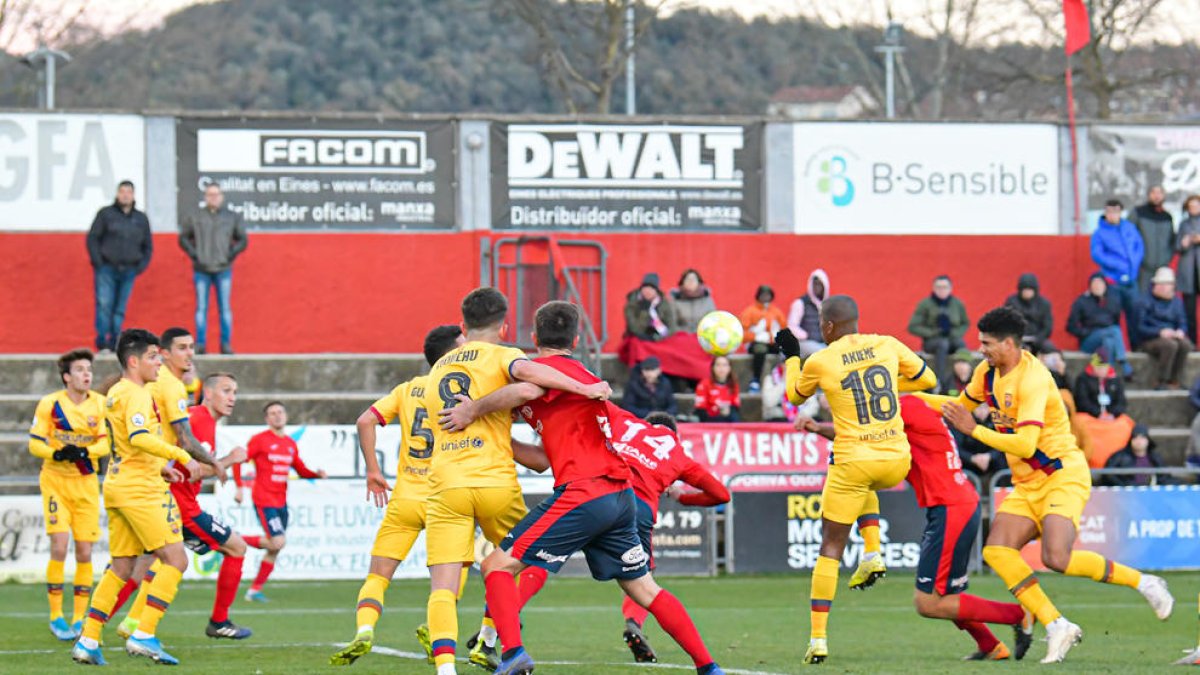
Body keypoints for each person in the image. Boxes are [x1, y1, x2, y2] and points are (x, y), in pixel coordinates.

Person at [436, 301, 726, 675]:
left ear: (535, 338)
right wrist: (501, 439)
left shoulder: (541, 373)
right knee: (644, 589)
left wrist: (474, 409)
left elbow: (525, 392)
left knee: (496, 565)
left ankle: (512, 655)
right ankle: (709, 666)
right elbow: (542, 460)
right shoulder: (584, 376)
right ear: (575, 339)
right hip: (620, 497)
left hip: (585, 492)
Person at [917, 306, 1174, 664]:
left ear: (1009, 344)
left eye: (987, 344)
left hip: (1061, 475)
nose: (981, 350)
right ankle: (1057, 624)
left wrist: (973, 430)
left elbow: (1024, 444)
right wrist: (906, 401)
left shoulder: (1034, 379)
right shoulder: (986, 372)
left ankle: (1144, 582)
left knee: (1056, 557)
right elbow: (957, 407)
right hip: (1026, 483)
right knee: (997, 551)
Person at [417, 288, 611, 675]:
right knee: (531, 560)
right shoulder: (504, 355)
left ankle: (445, 670)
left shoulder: (437, 368)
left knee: (443, 584)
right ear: (504, 327)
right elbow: (528, 385)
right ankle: (493, 639)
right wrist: (586, 387)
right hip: (493, 482)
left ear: (462, 325)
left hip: (446, 484)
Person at [801, 396, 1031, 662]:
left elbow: (856, 435)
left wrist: (820, 428)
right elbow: (858, 436)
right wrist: (821, 428)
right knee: (945, 594)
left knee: (929, 602)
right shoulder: (909, 405)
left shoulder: (899, 406)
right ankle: (991, 646)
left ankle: (1019, 614)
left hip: (951, 507)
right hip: (954, 504)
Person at [775, 294, 939, 664]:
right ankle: (874, 553)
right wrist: (889, 387)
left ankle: (818, 639)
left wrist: (790, 356)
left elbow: (794, 394)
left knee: (830, 548)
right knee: (863, 477)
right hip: (897, 460)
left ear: (829, 326)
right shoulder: (887, 344)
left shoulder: (821, 360)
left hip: (855, 462)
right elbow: (928, 379)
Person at [329, 325, 470, 666]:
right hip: (446, 499)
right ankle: (433, 627)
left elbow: (366, 421)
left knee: (378, 575)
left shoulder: (409, 389)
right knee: (453, 575)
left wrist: (373, 470)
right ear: (452, 356)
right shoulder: (463, 393)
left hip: (406, 496)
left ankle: (364, 629)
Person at [71, 329, 201, 666]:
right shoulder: (139, 393)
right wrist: (181, 456)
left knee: (121, 567)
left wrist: (161, 467)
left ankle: (87, 640)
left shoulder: (115, 392)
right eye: (153, 357)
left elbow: (127, 444)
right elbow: (141, 437)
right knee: (176, 560)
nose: (159, 363)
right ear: (134, 361)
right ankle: (144, 634)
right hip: (139, 490)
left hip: (119, 483)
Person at [119, 373, 252, 639]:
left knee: (141, 564)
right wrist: (229, 460)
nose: (232, 398)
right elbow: (195, 472)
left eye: (235, 392)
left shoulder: (197, 418)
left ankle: (101, 626)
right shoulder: (200, 420)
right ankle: (219, 622)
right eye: (226, 391)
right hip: (181, 506)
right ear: (209, 393)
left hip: (163, 501)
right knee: (236, 547)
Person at [28, 349, 109, 641]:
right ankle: (55, 616)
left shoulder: (100, 405)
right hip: (55, 482)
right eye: (79, 370)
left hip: (86, 483)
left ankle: (78, 618)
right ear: (66, 376)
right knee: (60, 547)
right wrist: (57, 452)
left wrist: (85, 451)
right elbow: (35, 444)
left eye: (89, 369)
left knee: (85, 552)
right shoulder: (50, 404)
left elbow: (106, 442)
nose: (86, 374)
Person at [234, 401, 328, 602]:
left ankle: (253, 591)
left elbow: (301, 470)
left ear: (285, 415)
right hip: (264, 499)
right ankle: (232, 538)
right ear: (267, 419)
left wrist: (316, 475)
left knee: (274, 548)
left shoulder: (290, 444)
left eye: (280, 412)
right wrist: (239, 487)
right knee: (277, 541)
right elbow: (237, 460)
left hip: (281, 502)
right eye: (272, 413)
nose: (277, 416)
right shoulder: (259, 440)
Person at [179, 183, 248, 355]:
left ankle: (225, 345)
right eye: (210, 194)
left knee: (225, 309)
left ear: (222, 197)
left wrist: (230, 255)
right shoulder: (195, 216)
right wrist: (195, 255)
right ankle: (200, 345)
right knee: (201, 308)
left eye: (216, 194)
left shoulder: (232, 217)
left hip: (224, 269)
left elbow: (243, 240)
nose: (213, 198)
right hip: (201, 269)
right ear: (205, 197)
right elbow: (183, 238)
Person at [86, 180, 152, 353]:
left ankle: (115, 342)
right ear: (117, 194)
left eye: (128, 192)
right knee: (104, 305)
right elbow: (92, 238)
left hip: (129, 270)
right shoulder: (105, 214)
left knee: (120, 309)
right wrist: (98, 263)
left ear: (133, 195)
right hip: (106, 268)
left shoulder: (141, 218)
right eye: (122, 191)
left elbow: (148, 246)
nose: (125, 195)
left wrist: (140, 266)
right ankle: (102, 343)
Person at [1090, 198, 1143, 342]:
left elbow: (1139, 247)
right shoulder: (1099, 233)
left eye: (1116, 212)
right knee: (1113, 315)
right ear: (1105, 213)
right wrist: (1119, 266)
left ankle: (1136, 346)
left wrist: (1134, 266)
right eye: (1109, 212)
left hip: (1131, 280)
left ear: (1120, 213)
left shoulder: (1130, 228)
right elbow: (1097, 254)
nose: (1112, 215)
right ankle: (1114, 347)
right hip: (1112, 280)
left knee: (1135, 314)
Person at [1072, 348, 1135, 468]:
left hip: (1111, 419)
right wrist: (1098, 414)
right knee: (1079, 422)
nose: (1102, 370)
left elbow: (1121, 402)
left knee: (1126, 424)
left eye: (1104, 367)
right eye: (1099, 367)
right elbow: (1081, 401)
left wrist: (1112, 414)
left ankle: (1119, 462)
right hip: (1091, 418)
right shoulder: (1083, 379)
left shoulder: (1115, 380)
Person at [907, 275, 969, 392]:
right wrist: (932, 332)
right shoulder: (925, 304)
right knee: (942, 344)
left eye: (945, 287)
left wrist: (955, 333)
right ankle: (939, 381)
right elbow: (913, 327)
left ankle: (965, 380)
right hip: (932, 342)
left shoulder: (957, 304)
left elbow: (965, 323)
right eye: (939, 287)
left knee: (961, 344)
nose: (942, 290)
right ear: (934, 288)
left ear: (950, 288)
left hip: (952, 338)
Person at [1135, 266, 1193, 389]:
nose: (1170, 288)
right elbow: (1139, 328)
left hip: (1171, 336)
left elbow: (1182, 322)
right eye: (1167, 285)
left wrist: (1181, 331)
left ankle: (1175, 379)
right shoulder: (1144, 301)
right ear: (1157, 286)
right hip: (1150, 339)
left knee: (1185, 344)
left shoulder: (1177, 302)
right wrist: (1159, 332)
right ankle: (1161, 380)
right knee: (1170, 345)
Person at [1066, 272, 1133, 378]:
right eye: (1094, 284)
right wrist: (1085, 332)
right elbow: (1070, 326)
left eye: (1100, 284)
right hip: (1088, 341)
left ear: (1105, 286)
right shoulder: (1082, 301)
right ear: (1090, 286)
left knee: (1109, 342)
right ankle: (1122, 362)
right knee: (1114, 330)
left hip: (1105, 339)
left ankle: (1108, 374)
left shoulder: (1111, 301)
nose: (1097, 287)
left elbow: (1116, 319)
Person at [740, 284, 787, 391]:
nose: (765, 297)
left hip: (772, 343)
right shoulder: (749, 312)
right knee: (761, 349)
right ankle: (756, 379)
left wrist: (775, 337)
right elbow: (742, 334)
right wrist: (755, 336)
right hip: (755, 343)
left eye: (768, 295)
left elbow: (784, 330)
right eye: (763, 295)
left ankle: (782, 378)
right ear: (758, 296)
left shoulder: (776, 312)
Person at [1131, 185, 1176, 292]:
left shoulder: (1167, 217)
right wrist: (1137, 258)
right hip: (1142, 268)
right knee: (1141, 301)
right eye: (1153, 192)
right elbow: (1128, 237)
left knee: (1162, 301)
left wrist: (1166, 259)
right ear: (1148, 195)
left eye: (1159, 193)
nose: (1156, 196)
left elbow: (1172, 241)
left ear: (1163, 196)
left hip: (1162, 268)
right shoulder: (1138, 213)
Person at [1005, 273, 1055, 354]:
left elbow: (1048, 326)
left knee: (1050, 350)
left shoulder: (1044, 304)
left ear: (1035, 290)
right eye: (1025, 289)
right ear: (1020, 290)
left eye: (1030, 289)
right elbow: (1006, 323)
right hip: (1017, 339)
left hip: (1038, 338)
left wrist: (1039, 339)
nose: (1027, 292)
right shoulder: (1012, 302)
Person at [1174, 195, 1200, 341]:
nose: (1194, 209)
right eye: (1192, 206)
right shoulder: (1184, 224)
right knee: (1189, 312)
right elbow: (1177, 246)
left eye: (1197, 205)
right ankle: (1192, 342)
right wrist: (1184, 243)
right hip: (1188, 274)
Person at [787, 269, 830, 357]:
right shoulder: (800, 303)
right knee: (823, 353)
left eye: (819, 284)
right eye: (815, 284)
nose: (816, 287)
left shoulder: (827, 305)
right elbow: (791, 326)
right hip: (804, 342)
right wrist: (806, 335)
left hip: (823, 343)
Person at [624, 273, 675, 341]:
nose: (648, 291)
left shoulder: (664, 304)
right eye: (645, 287)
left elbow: (671, 327)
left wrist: (657, 338)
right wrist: (645, 312)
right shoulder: (632, 304)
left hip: (658, 338)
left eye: (651, 288)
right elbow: (635, 329)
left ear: (656, 291)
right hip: (638, 338)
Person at [694, 355, 741, 422]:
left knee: (734, 416)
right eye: (718, 365)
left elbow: (736, 405)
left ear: (729, 368)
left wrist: (728, 410)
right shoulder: (704, 384)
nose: (721, 368)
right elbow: (700, 408)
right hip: (710, 418)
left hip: (728, 417)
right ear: (713, 368)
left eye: (724, 365)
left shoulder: (733, 384)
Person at [669, 268, 716, 334]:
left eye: (693, 279)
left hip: (702, 337)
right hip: (681, 338)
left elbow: (713, 322)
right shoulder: (675, 301)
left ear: (699, 283)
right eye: (688, 279)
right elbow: (671, 324)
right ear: (682, 283)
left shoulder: (707, 301)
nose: (691, 282)